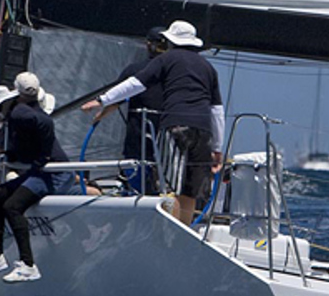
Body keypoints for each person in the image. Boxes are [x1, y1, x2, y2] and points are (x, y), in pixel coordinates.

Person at [82, 20, 224, 225]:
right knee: (189, 192)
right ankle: (184, 233)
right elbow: (217, 111)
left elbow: (135, 84)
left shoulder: (167, 59)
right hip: (204, 131)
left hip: (176, 126)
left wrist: (102, 100)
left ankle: (167, 234)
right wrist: (217, 148)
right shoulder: (208, 67)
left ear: (171, 40)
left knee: (168, 186)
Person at [0, 72, 73, 282]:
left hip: (53, 174)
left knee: (12, 206)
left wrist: (43, 155)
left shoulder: (19, 114)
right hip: (39, 172)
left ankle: (28, 265)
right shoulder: (16, 118)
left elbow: (44, 122)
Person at [97, 26, 167, 192]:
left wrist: (100, 113)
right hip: (167, 144)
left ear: (147, 45)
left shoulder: (135, 70)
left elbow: (117, 98)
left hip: (138, 144)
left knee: (138, 187)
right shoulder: (177, 73)